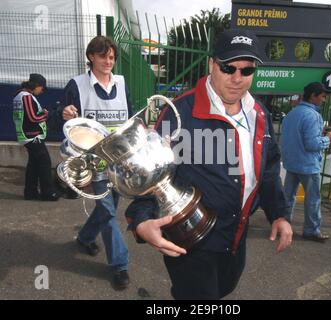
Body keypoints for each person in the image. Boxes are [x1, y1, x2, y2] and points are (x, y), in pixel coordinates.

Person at [125, 29, 293, 300]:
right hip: (191, 242)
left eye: (247, 70)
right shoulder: (180, 113)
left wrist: (279, 214)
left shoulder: (259, 113)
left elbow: (269, 169)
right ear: (212, 65)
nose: (237, 79)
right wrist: (142, 221)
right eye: (228, 68)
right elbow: (152, 174)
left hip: (236, 237)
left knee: (223, 289)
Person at [58, 36, 133, 290]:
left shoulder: (122, 84)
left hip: (119, 162)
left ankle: (85, 237)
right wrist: (66, 112)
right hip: (94, 163)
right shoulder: (77, 85)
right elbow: (68, 119)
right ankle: (119, 265)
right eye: (103, 56)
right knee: (110, 213)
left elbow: (129, 119)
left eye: (111, 57)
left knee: (106, 210)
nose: (108, 61)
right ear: (91, 57)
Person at [280, 82, 331, 242]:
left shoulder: (292, 113)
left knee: (288, 197)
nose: (324, 100)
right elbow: (312, 144)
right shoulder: (312, 116)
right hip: (308, 165)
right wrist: (327, 139)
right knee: (312, 199)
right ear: (313, 96)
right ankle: (311, 230)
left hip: (291, 162)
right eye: (323, 96)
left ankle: (283, 225)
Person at [13, 73, 60, 201]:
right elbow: (33, 117)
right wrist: (47, 115)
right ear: (36, 86)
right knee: (44, 163)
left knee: (33, 164)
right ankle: (48, 192)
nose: (42, 91)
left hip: (27, 135)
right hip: (32, 136)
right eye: (42, 88)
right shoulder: (27, 97)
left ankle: (30, 192)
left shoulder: (19, 95)